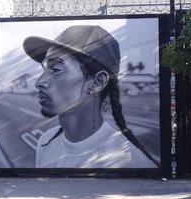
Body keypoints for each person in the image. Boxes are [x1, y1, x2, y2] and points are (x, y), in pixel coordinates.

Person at [23, 25, 159, 168]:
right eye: (45, 69)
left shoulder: (129, 160)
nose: (39, 82)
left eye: (56, 69)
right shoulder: (46, 142)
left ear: (98, 82)